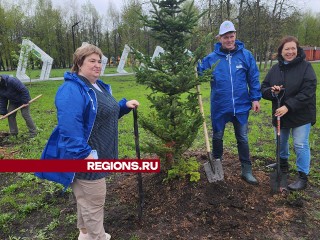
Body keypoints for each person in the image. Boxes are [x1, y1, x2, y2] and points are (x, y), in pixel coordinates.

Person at [35, 43, 139, 240]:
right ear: (79, 63)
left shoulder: (97, 86)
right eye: (92, 61)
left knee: (86, 198)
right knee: (94, 200)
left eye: (100, 61)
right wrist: (85, 155)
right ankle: (97, 237)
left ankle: (84, 233)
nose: (97, 65)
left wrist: (123, 106)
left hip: (98, 153)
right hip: (84, 157)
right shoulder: (71, 90)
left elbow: (101, 114)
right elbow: (69, 128)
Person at [198, 20, 261, 185]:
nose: (229, 40)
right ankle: (217, 166)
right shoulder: (211, 59)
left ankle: (246, 170)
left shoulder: (246, 55)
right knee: (217, 136)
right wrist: (193, 65)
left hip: (241, 106)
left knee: (243, 137)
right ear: (220, 38)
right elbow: (199, 73)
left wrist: (255, 98)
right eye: (225, 37)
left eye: (231, 36)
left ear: (235, 36)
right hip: (220, 106)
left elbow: (253, 78)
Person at [261, 36, 317, 191]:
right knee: (281, 142)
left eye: (293, 48)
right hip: (280, 113)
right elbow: (264, 87)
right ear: (281, 51)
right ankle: (282, 164)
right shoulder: (275, 69)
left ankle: (302, 176)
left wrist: (288, 106)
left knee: (300, 144)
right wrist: (272, 91)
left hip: (301, 114)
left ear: (297, 50)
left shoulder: (306, 67)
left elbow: (308, 92)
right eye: (287, 49)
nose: (290, 51)